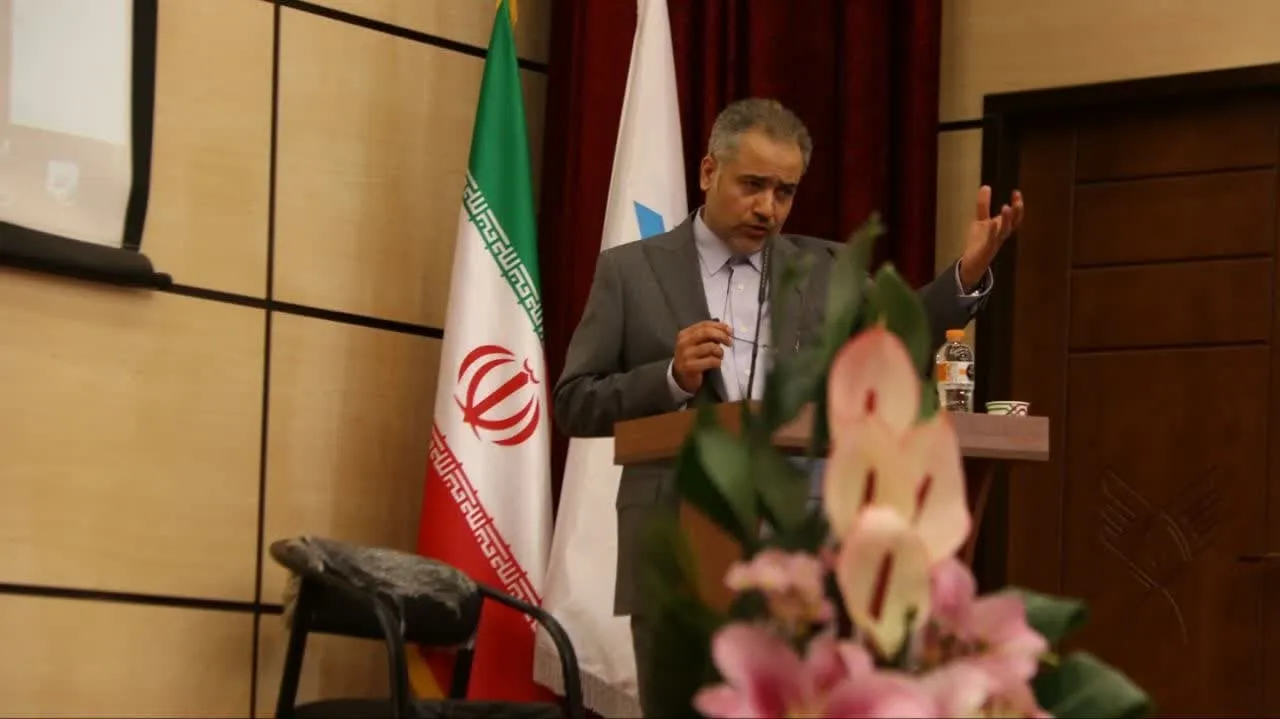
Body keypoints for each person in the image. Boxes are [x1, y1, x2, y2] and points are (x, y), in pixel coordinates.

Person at [551, 97, 1023, 714]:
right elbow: (573, 401)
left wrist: (965, 275)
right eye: (752, 185)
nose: (767, 208)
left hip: (805, 552)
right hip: (677, 545)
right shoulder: (631, 272)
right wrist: (669, 378)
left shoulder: (824, 269)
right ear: (708, 171)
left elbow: (896, 339)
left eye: (785, 192)